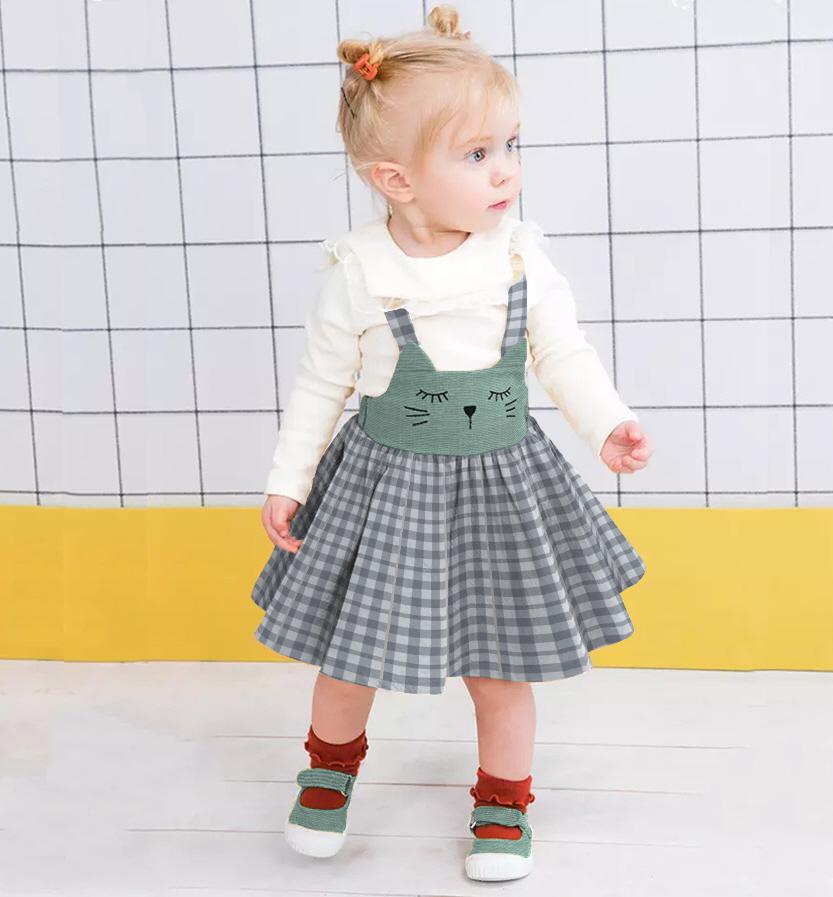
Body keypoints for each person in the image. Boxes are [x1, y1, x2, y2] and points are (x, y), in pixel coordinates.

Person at [251, 4, 653, 882]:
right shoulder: (360, 271)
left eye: (511, 145)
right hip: (383, 491)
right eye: (476, 154)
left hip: (503, 489)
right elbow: (321, 385)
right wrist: (289, 479)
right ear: (395, 179)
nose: (505, 170)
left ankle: (504, 798)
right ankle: (328, 767)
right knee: (351, 652)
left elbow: (562, 353)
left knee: (501, 664)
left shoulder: (518, 258)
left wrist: (608, 422)